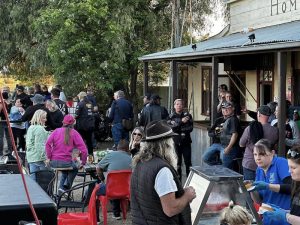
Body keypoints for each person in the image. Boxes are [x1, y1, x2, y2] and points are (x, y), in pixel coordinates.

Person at [131, 120, 196, 225]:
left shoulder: (140, 162)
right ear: (166, 144)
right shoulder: (162, 170)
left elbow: (153, 197)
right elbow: (170, 209)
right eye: (171, 139)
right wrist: (187, 196)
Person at [249, 139, 291, 225]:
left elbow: (292, 187)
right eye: (255, 154)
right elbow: (259, 200)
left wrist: (268, 186)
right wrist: (251, 189)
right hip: (268, 218)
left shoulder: (280, 162)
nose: (258, 158)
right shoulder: (259, 169)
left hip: (284, 217)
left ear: (272, 153)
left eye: (262, 154)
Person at [46, 114, 88, 193]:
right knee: (75, 168)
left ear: (63, 122)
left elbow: (47, 144)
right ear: (73, 123)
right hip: (66, 162)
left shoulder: (56, 131)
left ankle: (61, 190)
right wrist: (83, 162)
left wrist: (49, 157)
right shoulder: (74, 133)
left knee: (65, 172)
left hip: (53, 162)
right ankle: (65, 188)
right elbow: (84, 150)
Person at [95, 139, 132, 220]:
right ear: (127, 149)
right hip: (126, 190)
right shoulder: (131, 158)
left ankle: (96, 219)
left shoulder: (111, 155)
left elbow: (98, 168)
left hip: (110, 189)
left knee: (95, 191)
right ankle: (116, 214)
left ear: (117, 147)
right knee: (117, 184)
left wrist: (102, 179)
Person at [239, 105, 279, 180]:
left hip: (250, 163)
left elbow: (241, 144)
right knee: (264, 188)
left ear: (258, 114)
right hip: (266, 164)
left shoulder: (250, 128)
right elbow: (274, 146)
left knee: (250, 188)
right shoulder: (275, 130)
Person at [263, 145, 300, 224]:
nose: (289, 171)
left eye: (293, 168)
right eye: (289, 167)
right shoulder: (296, 183)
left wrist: (285, 216)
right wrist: (282, 212)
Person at [203, 101, 240, 169]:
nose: (225, 110)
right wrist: (216, 133)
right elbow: (210, 132)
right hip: (217, 143)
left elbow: (235, 135)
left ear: (233, 108)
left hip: (229, 145)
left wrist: (228, 148)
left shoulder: (233, 120)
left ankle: (227, 172)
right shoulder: (218, 120)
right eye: (223, 108)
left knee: (225, 162)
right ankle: (220, 168)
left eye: (227, 108)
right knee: (205, 158)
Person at [168, 99, 193, 181]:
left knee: (188, 163)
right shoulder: (171, 116)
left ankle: (190, 181)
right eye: (177, 104)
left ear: (183, 106)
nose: (179, 105)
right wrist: (181, 122)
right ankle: (178, 183)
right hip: (175, 142)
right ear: (174, 106)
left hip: (186, 142)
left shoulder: (188, 115)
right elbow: (172, 128)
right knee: (177, 163)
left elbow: (190, 128)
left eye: (181, 104)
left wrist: (178, 127)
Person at [26, 110, 49, 180]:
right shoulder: (40, 129)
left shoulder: (31, 127)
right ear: (39, 118)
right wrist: (45, 158)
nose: (46, 120)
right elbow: (40, 145)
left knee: (33, 181)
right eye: (44, 118)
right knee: (45, 181)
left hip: (31, 157)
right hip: (38, 158)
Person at [75, 91, 95, 157]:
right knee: (89, 141)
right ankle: (90, 155)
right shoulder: (90, 103)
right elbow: (92, 112)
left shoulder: (80, 104)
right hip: (90, 125)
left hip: (82, 126)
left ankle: (82, 155)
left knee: (81, 141)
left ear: (80, 97)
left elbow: (76, 115)